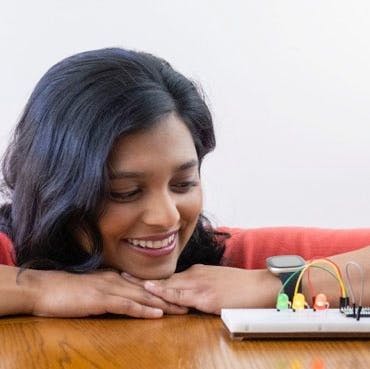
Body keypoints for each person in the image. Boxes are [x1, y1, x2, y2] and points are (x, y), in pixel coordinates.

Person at [0, 48, 369, 318]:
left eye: (183, 184)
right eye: (125, 192)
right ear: (56, 189)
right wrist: (38, 288)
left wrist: (274, 286)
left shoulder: (225, 262)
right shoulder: (9, 252)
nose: (165, 217)